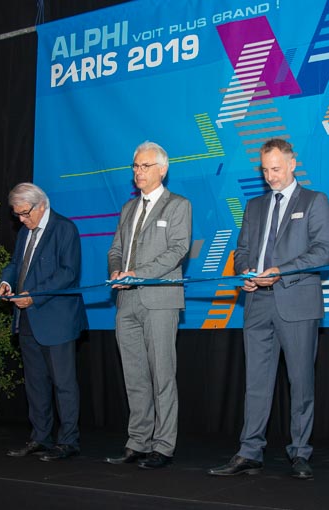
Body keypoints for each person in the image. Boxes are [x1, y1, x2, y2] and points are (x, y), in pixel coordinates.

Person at [208, 138, 329, 479]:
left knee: (300, 381)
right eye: (265, 170)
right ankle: (250, 451)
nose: (271, 177)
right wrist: (247, 273)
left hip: (296, 300)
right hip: (257, 303)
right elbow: (242, 251)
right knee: (256, 383)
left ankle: (300, 452)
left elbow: (324, 251)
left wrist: (281, 271)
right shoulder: (254, 206)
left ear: (292, 164)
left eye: (276, 169)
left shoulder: (314, 201)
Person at [106, 141, 192, 470]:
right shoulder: (128, 209)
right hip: (125, 301)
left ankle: (163, 444)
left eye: (144, 166)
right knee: (135, 376)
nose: (138, 172)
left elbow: (177, 250)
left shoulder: (178, 206)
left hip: (160, 300)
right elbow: (115, 249)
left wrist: (138, 274)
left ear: (162, 169)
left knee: (162, 374)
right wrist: (116, 270)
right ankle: (137, 441)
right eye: (135, 166)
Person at [0, 183, 88, 462]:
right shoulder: (25, 232)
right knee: (35, 383)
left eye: (25, 214)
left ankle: (68, 441)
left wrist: (33, 297)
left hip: (56, 319)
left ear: (41, 206)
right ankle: (40, 437)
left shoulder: (64, 229)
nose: (22, 220)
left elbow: (68, 273)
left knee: (63, 383)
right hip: (26, 318)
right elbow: (16, 264)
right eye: (18, 216)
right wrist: (6, 281)